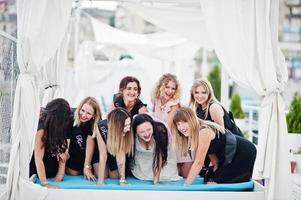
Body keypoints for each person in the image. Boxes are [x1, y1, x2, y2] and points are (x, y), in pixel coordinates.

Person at [172, 107, 257, 185]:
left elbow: (198, 163)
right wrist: (216, 172)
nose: (181, 127)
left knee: (213, 182)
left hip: (244, 153)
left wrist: (186, 185)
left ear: (192, 120)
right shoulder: (195, 133)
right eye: (178, 124)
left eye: (184, 122)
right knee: (210, 179)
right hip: (233, 155)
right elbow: (212, 154)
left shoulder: (203, 132)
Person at [29, 98, 72, 188]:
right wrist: (45, 184)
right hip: (37, 168)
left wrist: (63, 154)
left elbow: (63, 148)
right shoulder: (41, 128)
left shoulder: (57, 126)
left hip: (51, 165)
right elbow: (38, 159)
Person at [131, 114, 181, 184]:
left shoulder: (159, 132)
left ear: (153, 126)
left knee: (165, 177)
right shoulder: (132, 136)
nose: (147, 134)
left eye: (149, 129)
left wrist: (156, 182)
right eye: (142, 132)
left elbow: (159, 157)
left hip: (161, 161)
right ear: (136, 132)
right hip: (142, 164)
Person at [66, 97, 102, 181]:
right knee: (73, 174)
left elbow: (90, 144)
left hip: (92, 152)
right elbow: (67, 141)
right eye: (82, 110)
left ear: (94, 115)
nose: (84, 115)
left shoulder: (97, 122)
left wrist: (87, 166)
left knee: (100, 174)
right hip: (76, 149)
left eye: (89, 113)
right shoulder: (71, 118)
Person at [96, 107, 134, 185]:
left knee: (114, 176)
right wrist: (100, 181)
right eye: (125, 125)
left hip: (116, 151)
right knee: (102, 175)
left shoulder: (126, 131)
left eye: (129, 125)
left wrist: (122, 180)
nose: (128, 129)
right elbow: (103, 155)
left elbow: (121, 155)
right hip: (103, 150)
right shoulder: (101, 126)